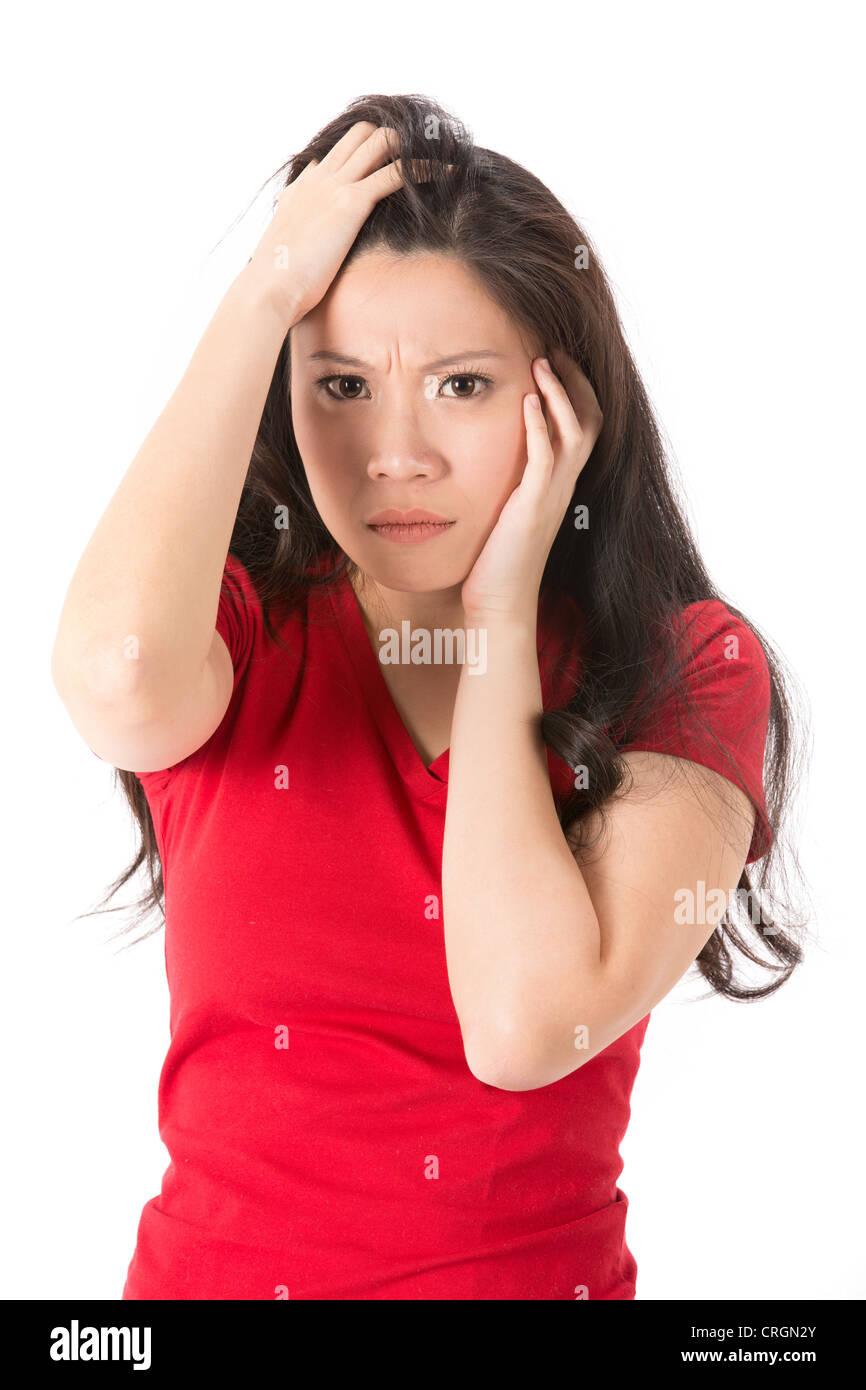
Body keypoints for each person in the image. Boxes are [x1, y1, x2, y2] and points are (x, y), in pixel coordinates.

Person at [50, 95, 808, 1300]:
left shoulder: (687, 669)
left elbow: (523, 1027)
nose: (393, 453)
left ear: (561, 394)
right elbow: (117, 676)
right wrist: (261, 293)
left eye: (458, 385)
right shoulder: (240, 629)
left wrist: (501, 623)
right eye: (340, 387)